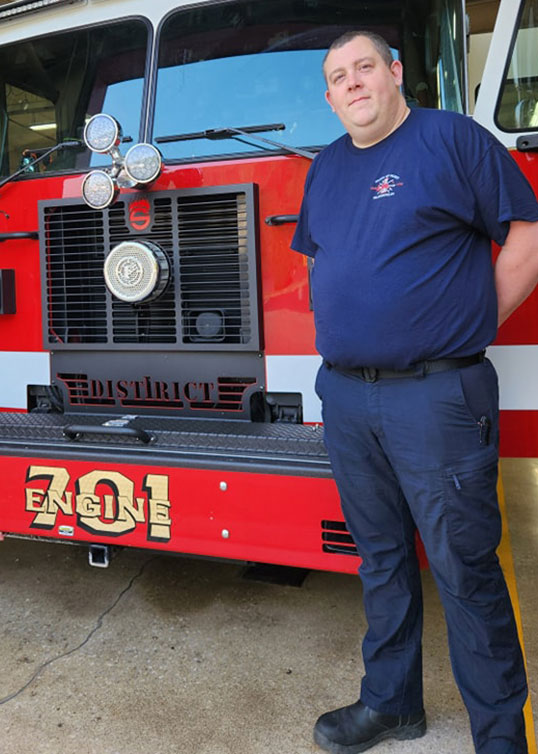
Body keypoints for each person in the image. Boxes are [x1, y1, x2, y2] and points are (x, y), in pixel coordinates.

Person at [291, 30, 538, 754]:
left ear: (396, 73)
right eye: (338, 77)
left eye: (365, 67)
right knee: (382, 558)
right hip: (348, 397)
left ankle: (500, 738)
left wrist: (469, 321)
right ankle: (392, 703)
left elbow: (527, 234)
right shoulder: (326, 168)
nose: (353, 83)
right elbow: (328, 263)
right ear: (330, 97)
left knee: (464, 566)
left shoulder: (453, 140)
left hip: (436, 396)